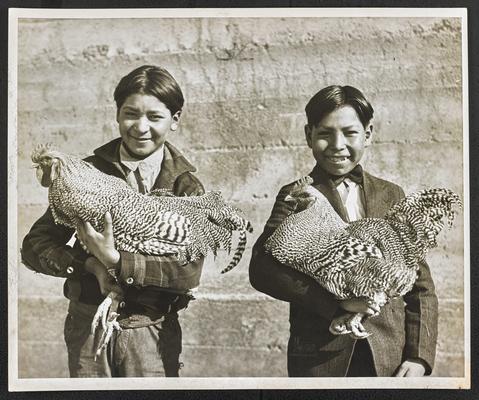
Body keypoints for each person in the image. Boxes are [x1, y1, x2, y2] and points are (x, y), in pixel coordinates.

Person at [21, 65, 205, 377]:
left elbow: (187, 272)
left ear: (174, 120)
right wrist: (88, 265)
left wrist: (114, 260)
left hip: (151, 329)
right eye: (130, 113)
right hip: (87, 322)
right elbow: (34, 246)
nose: (140, 126)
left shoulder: (183, 186)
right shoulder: (84, 175)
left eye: (155, 117)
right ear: (117, 114)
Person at [249, 85, 438, 377]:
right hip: (319, 356)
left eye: (350, 133)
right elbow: (262, 269)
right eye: (325, 134)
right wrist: (335, 305)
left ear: (368, 134)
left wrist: (418, 356)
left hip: (387, 357)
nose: (338, 145)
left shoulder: (391, 195)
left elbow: (420, 284)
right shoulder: (297, 194)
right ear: (308, 135)